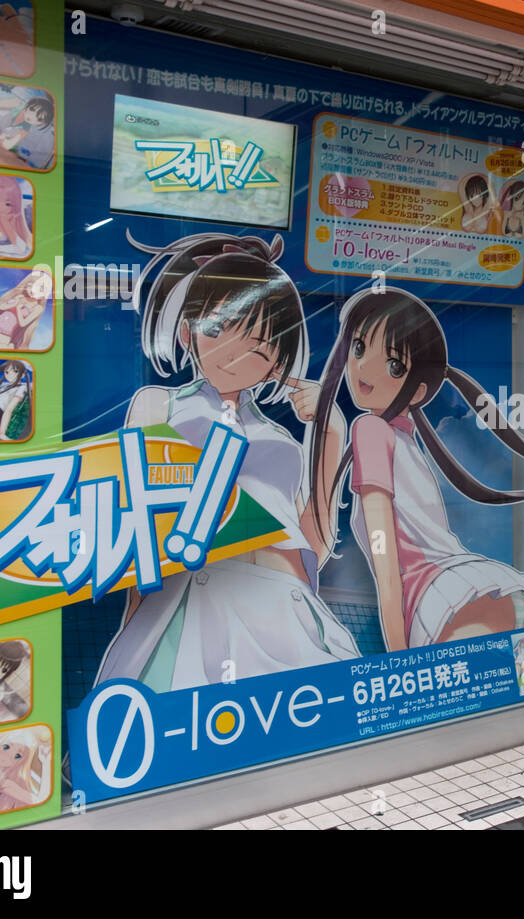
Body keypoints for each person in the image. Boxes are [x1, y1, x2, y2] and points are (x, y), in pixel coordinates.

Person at [93, 232, 361, 692]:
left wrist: (331, 432)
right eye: (217, 328)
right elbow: (138, 529)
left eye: (257, 339)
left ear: (278, 354)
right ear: (186, 332)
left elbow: (311, 552)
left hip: (285, 614)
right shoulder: (159, 407)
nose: (234, 352)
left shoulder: (282, 442)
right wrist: (134, 626)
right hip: (192, 604)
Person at [308, 287, 524, 651]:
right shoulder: (407, 442)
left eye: (393, 364)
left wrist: (397, 654)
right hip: (493, 590)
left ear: (418, 391)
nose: (363, 368)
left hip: (445, 602)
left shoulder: (371, 430)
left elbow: (385, 555)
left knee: (471, 704)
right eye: (359, 349)